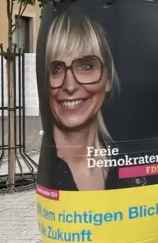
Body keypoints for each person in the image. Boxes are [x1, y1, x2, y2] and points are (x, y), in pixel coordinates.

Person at [43, 12, 121, 191]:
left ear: (108, 78)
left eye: (86, 66)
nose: (69, 86)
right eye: (56, 69)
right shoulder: (51, 171)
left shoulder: (124, 163)